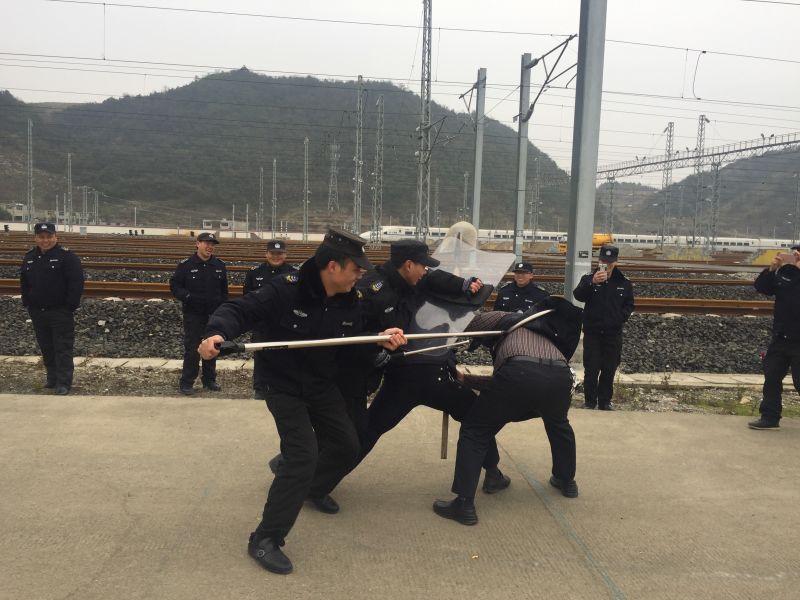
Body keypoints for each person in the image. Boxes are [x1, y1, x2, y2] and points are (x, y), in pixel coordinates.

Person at [198, 228, 406, 575]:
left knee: (347, 444)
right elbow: (240, 309)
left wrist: (379, 339)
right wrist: (215, 333)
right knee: (303, 455)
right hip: (282, 384)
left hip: (321, 384)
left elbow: (355, 338)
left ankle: (309, 486)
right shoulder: (286, 288)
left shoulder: (349, 300)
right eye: (356, 269)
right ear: (333, 267)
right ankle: (265, 538)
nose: (360, 275)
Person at [434, 297, 582, 526]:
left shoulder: (504, 317)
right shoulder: (547, 330)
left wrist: (447, 312)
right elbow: (510, 382)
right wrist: (468, 380)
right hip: (560, 377)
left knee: (475, 430)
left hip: (519, 375)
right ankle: (566, 481)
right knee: (558, 424)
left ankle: (463, 504)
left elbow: (467, 323)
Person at [20, 222, 84, 395]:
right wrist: (27, 302)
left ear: (56, 237)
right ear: (35, 238)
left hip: (60, 311)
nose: (45, 240)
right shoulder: (30, 257)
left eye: (49, 237)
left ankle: (64, 383)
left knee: (62, 347)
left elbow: (76, 283)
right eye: (41, 237)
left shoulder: (67, 257)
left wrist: (70, 306)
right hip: (37, 311)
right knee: (46, 346)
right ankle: (52, 378)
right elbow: (24, 282)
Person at [572, 245, 634, 410]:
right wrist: (592, 282)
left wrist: (620, 318)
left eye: (610, 262)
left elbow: (629, 305)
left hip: (613, 334)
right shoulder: (588, 278)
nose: (606, 265)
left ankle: (605, 402)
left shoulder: (624, 282)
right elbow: (578, 295)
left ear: (616, 262)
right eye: (603, 261)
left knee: (609, 369)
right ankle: (590, 401)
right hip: (593, 332)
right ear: (598, 260)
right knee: (591, 368)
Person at [169, 232, 228, 395]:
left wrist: (222, 308)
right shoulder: (186, 265)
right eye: (207, 243)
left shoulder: (219, 265)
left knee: (212, 346)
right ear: (197, 244)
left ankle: (209, 380)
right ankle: (187, 382)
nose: (210, 247)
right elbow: (175, 286)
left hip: (213, 314)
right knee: (193, 348)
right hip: (193, 314)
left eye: (212, 244)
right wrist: (187, 297)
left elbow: (224, 291)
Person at [749, 245, 800, 430]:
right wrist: (772, 269)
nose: (794, 258)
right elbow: (762, 287)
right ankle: (770, 417)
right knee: (771, 376)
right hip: (781, 337)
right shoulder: (785, 273)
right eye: (793, 254)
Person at [243, 240, 297, 400]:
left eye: (280, 253)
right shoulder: (254, 273)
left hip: (285, 324)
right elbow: (248, 298)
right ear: (266, 254)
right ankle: (260, 388)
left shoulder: (294, 273)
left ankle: (283, 387)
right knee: (261, 356)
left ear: (285, 255)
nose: (276, 256)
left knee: (285, 356)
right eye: (273, 253)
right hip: (262, 323)